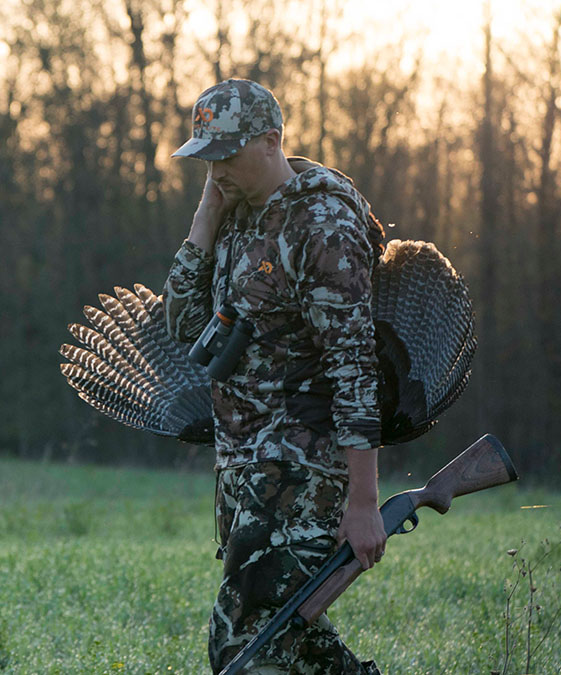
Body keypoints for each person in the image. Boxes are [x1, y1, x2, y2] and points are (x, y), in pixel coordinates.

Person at [163, 79, 387, 674]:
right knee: (278, 642)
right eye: (206, 157)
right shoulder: (234, 213)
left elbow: (354, 368)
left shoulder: (322, 223)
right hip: (245, 470)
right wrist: (206, 216)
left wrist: (364, 502)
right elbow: (186, 327)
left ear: (271, 141)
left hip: (305, 471)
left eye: (228, 154)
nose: (217, 170)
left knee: (242, 644)